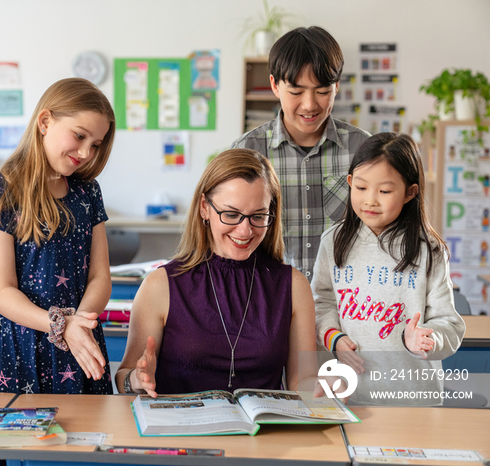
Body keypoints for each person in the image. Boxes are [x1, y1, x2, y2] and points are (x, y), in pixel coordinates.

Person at [116, 149, 339, 397]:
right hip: (182, 433)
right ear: (204, 208)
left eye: (258, 216)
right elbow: (125, 376)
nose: (245, 231)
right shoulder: (160, 285)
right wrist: (136, 380)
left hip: (264, 432)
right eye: (231, 214)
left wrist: (322, 390)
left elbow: (303, 381)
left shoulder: (293, 285)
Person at [0, 78, 115, 395]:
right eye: (79, 136)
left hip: (82, 342)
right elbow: (2, 292)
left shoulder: (87, 192)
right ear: (45, 122)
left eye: (95, 144)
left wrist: (79, 325)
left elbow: (100, 276)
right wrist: (63, 327)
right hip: (24, 348)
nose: (85, 152)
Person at [312, 133, 466, 405]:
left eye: (384, 191)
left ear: (410, 192)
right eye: (360, 188)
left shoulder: (428, 249)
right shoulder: (333, 241)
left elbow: (450, 326)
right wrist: (333, 338)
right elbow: (321, 302)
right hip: (351, 395)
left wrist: (426, 340)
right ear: (349, 183)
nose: (370, 200)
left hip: (414, 398)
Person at [232, 26, 370, 281]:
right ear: (274, 85)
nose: (310, 104)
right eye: (296, 92)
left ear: (337, 86)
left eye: (322, 91)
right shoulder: (247, 151)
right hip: (271, 301)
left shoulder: (364, 149)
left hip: (345, 304)